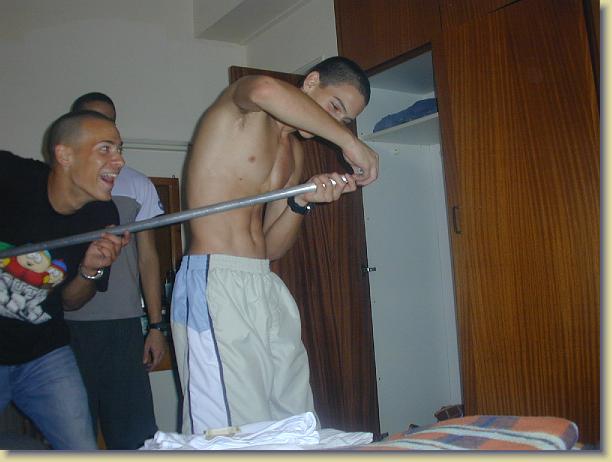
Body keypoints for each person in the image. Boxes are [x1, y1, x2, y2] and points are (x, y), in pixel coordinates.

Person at [171, 56, 379, 434]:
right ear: (311, 82)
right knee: (228, 430)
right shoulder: (242, 109)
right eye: (335, 108)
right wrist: (350, 142)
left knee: (292, 416)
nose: (336, 123)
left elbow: (271, 247)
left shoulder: (294, 152)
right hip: (215, 279)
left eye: (345, 120)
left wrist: (302, 202)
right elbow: (265, 90)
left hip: (263, 282)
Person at [0, 110, 129, 449]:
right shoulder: (10, 177)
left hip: (44, 353)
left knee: (81, 450)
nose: (119, 161)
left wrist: (90, 269)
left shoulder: (103, 216)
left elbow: (72, 301)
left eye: (120, 150)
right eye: (106, 148)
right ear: (64, 155)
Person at [65, 92, 167, 449]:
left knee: (135, 437)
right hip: (65, 327)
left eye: (108, 121)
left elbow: (148, 258)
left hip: (122, 326)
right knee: (71, 437)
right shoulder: (53, 185)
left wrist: (155, 326)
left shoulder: (136, 184)